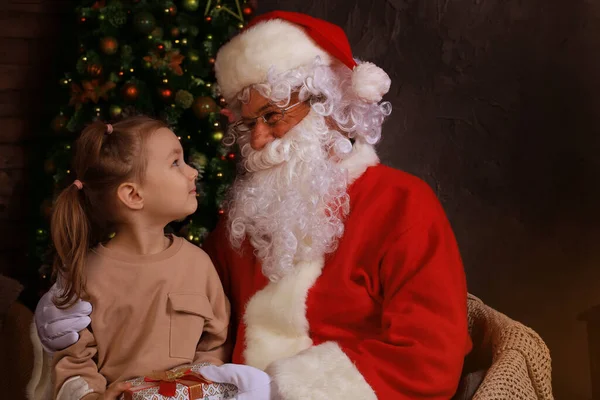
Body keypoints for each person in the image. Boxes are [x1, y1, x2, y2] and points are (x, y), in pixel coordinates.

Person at [34, 11, 472, 400]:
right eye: (247, 124)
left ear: (328, 107)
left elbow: (430, 359)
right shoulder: (244, 219)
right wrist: (63, 316)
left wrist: (282, 389)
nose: (258, 142)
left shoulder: (402, 204)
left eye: (272, 116)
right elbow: (167, 288)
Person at [36, 117, 235, 400]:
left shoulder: (199, 265)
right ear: (133, 194)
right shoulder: (85, 274)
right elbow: (73, 366)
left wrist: (198, 386)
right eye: (175, 163)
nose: (192, 172)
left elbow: (216, 343)